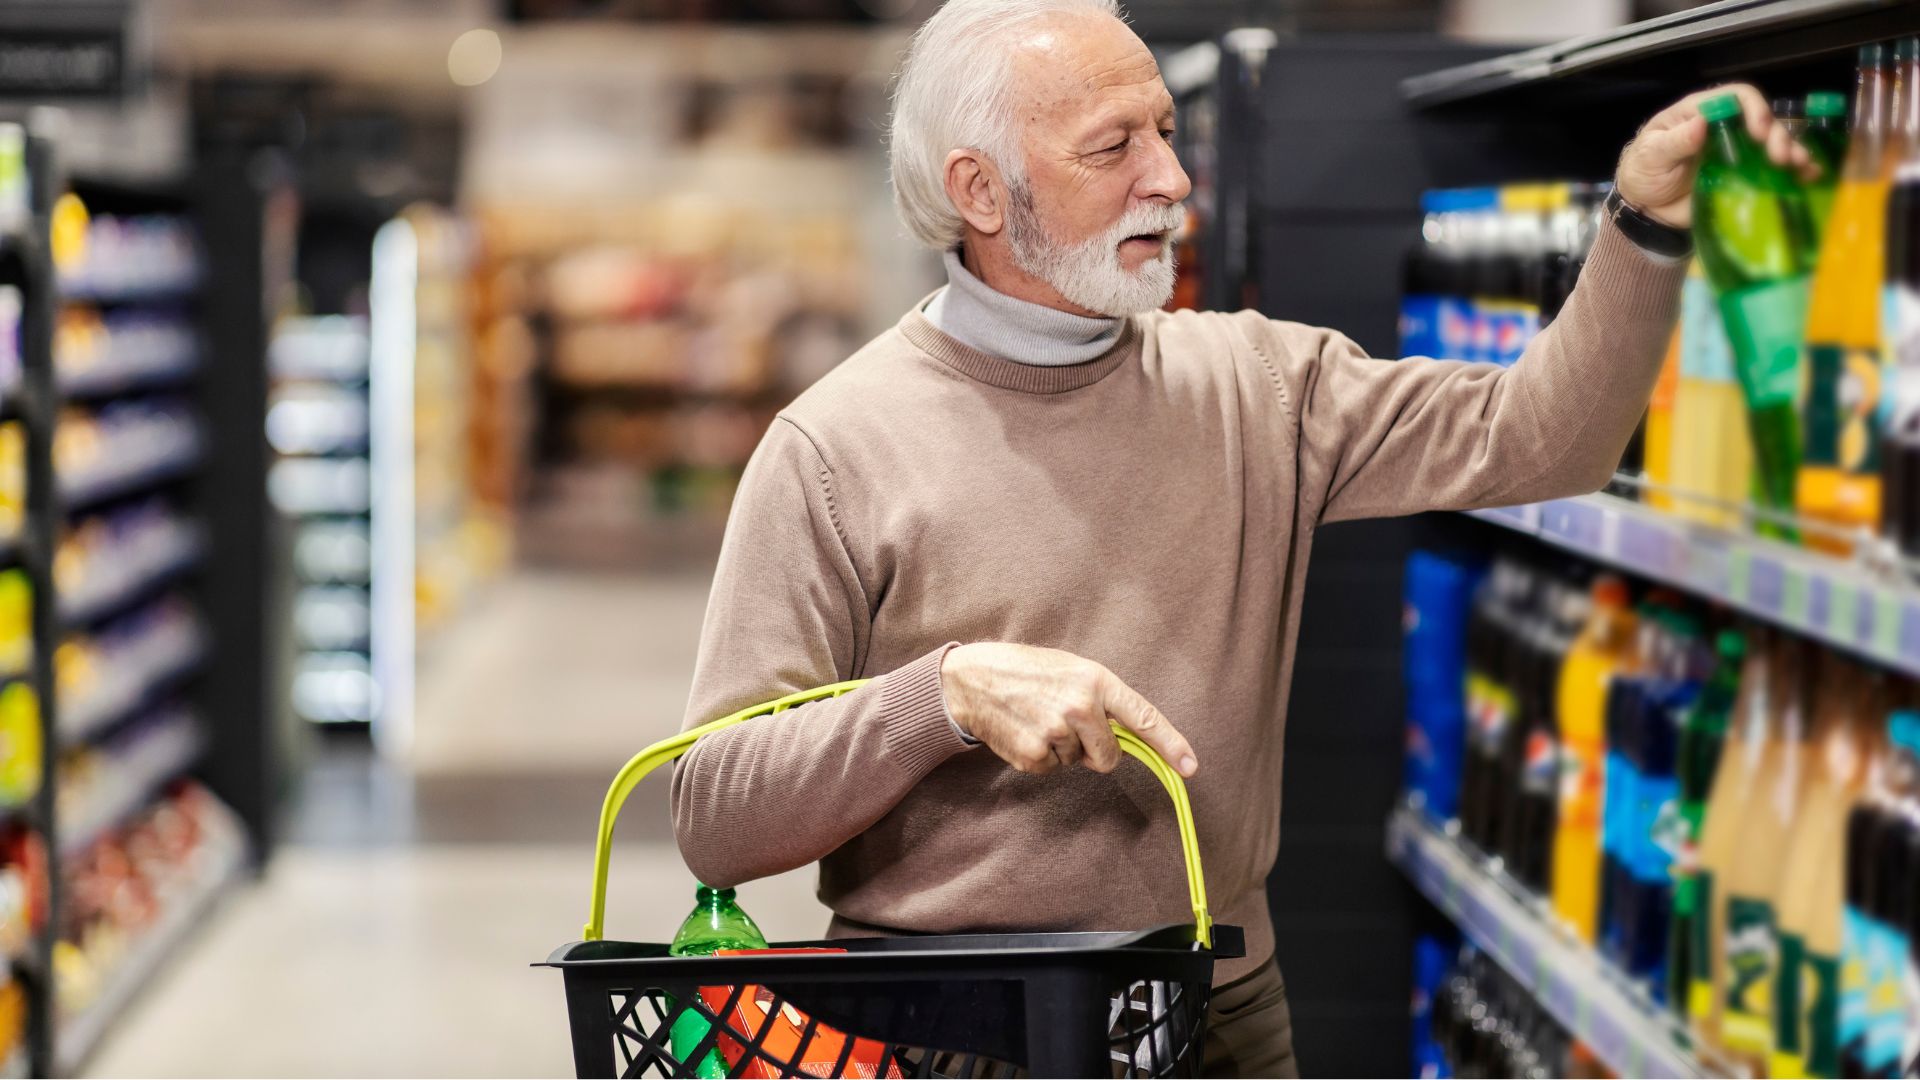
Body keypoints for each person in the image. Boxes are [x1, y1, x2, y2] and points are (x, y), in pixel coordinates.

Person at [669, 1, 1809, 1074]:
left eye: (1166, 131)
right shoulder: (834, 448)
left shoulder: (1260, 383)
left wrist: (1643, 223)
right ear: (981, 189)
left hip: (1223, 1018)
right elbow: (717, 817)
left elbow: (1543, 441)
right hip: (954, 1032)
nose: (1171, 179)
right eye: (1113, 146)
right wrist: (946, 696)